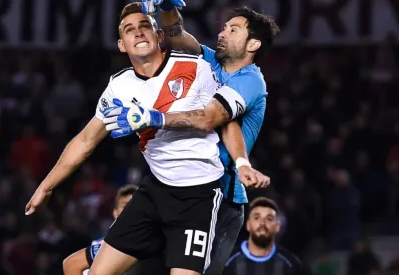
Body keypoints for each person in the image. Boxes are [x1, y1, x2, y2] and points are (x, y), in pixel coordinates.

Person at [25, 3, 268, 275]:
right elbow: (85, 141)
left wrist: (242, 162)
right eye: (130, 30)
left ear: (158, 36)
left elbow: (221, 120)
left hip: (202, 196)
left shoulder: (200, 69)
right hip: (155, 191)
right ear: (120, 45)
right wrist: (46, 187)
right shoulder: (119, 86)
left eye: (145, 27)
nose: (139, 33)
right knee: (89, 270)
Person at [103, 1, 279, 273]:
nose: (222, 33)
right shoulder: (210, 63)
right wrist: (167, 7)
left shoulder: (250, 81)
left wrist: (153, 117)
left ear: (253, 45)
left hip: (222, 199)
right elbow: (175, 36)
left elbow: (209, 119)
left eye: (233, 30)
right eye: (224, 28)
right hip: (179, 191)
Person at [62, 184, 169, 275]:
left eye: (133, 207)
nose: (129, 213)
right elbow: (71, 264)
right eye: (124, 206)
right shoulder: (106, 246)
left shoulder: (169, 238)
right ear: (115, 213)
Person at [224, 197, 306, 275]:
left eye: (269, 219)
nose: (262, 223)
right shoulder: (227, 262)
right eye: (257, 218)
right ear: (248, 225)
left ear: (277, 227)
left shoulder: (290, 264)